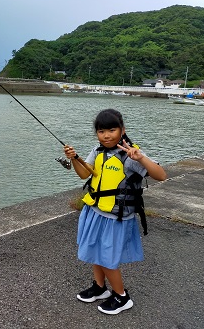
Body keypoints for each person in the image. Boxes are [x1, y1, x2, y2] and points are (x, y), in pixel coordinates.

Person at [63, 108, 167, 315]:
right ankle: (100, 288)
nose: (107, 135)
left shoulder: (130, 154)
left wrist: (140, 158)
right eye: (101, 131)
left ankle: (122, 296)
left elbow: (161, 175)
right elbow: (84, 174)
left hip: (115, 217)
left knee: (107, 258)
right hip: (95, 211)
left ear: (122, 130)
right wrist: (75, 158)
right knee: (94, 252)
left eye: (112, 130)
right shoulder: (97, 151)